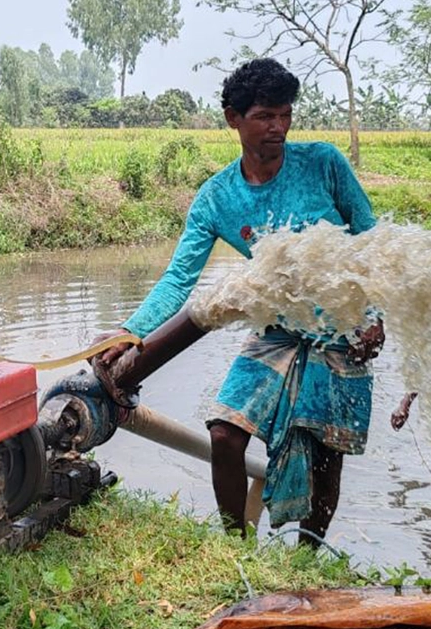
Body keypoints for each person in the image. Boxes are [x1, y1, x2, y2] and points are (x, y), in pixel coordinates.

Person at [97, 58, 385, 543]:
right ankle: (236, 547)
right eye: (265, 116)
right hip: (277, 328)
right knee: (225, 434)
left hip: (342, 327)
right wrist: (133, 331)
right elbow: (178, 281)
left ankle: (306, 554)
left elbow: (372, 242)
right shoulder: (217, 197)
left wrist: (374, 315)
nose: (278, 127)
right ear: (233, 117)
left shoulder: (323, 163)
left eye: (286, 114)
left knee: (324, 450)